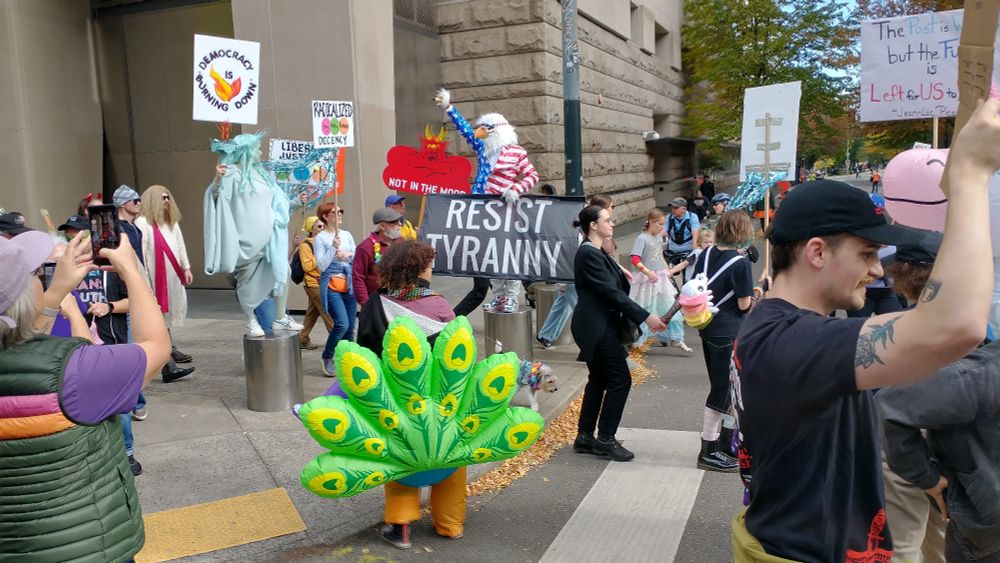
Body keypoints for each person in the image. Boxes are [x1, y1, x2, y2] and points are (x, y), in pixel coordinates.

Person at [730, 98, 1000, 563]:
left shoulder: (777, 325)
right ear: (817, 252)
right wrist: (970, 177)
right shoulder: (789, 343)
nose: (877, 271)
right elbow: (957, 324)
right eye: (866, 253)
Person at [0, 229, 170, 562]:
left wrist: (56, 290)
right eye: (35, 275)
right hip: (89, 549)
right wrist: (131, 271)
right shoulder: (74, 373)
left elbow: (19, 340)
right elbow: (157, 347)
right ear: (24, 296)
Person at [356, 240, 465, 549]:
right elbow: (458, 354)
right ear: (419, 270)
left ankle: (400, 528)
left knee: (401, 459)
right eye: (429, 265)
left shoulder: (375, 304)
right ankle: (450, 523)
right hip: (442, 401)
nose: (432, 269)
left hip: (396, 399)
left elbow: (364, 353)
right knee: (450, 457)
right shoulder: (440, 305)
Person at [872, 231, 948, 563]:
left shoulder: (892, 331)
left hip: (903, 455)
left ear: (904, 276)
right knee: (943, 545)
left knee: (901, 548)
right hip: (956, 454)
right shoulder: (973, 327)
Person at [571, 205, 668, 462]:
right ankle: (605, 439)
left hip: (597, 323)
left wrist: (619, 269)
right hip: (596, 325)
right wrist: (646, 316)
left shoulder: (596, 252)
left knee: (600, 380)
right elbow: (610, 293)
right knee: (620, 380)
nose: (612, 224)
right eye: (607, 220)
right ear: (593, 225)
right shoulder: (589, 254)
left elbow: (614, 286)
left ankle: (584, 436)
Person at [690, 211, 755, 472]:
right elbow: (744, 304)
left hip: (707, 327)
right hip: (729, 330)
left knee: (726, 386)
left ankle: (728, 442)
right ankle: (709, 448)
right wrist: (758, 291)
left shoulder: (704, 255)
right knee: (723, 388)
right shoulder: (740, 264)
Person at [535, 194, 618, 351]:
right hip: (576, 273)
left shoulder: (590, 222)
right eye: (611, 207)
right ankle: (591, 344)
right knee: (585, 310)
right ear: (603, 208)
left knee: (565, 303)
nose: (612, 210)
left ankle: (546, 335)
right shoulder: (588, 225)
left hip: (573, 272)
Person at [135, 185, 197, 381]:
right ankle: (167, 363)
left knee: (164, 318)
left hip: (172, 277)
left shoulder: (171, 222)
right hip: (154, 279)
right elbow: (142, 255)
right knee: (158, 319)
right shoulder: (142, 223)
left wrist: (186, 267)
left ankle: (169, 355)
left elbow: (180, 245)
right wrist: (144, 280)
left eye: (168, 197)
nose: (166, 201)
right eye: (162, 197)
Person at [629, 208, 690, 351]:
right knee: (647, 307)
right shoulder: (642, 238)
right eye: (661, 224)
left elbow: (659, 255)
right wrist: (647, 272)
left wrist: (666, 270)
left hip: (659, 276)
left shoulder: (658, 237)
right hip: (646, 278)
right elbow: (635, 258)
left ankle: (675, 338)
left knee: (668, 304)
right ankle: (639, 339)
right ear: (651, 222)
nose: (663, 227)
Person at [314, 202, 356, 376]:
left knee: (351, 326)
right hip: (331, 284)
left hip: (349, 283)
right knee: (341, 324)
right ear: (325, 216)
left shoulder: (346, 235)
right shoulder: (320, 238)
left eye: (341, 211)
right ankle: (327, 355)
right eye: (335, 212)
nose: (339, 214)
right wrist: (333, 248)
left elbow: (356, 255)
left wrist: (347, 255)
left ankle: (348, 359)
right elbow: (321, 266)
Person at [353, 207, 404, 307]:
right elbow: (358, 278)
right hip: (377, 303)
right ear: (382, 226)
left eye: (399, 221)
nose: (399, 225)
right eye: (394, 222)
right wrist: (367, 304)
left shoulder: (401, 242)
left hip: (400, 301)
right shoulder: (365, 247)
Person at [297, 216, 332, 351]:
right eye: (319, 226)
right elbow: (306, 266)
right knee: (327, 311)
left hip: (322, 281)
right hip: (313, 283)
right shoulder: (306, 245)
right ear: (311, 229)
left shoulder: (323, 241)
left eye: (323, 226)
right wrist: (320, 256)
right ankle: (338, 340)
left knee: (312, 313)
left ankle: (303, 338)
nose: (322, 228)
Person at [664, 197, 700, 281]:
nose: (673, 210)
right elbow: (663, 231)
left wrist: (695, 250)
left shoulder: (692, 217)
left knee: (687, 275)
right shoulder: (669, 217)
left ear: (684, 209)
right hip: (673, 250)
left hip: (688, 250)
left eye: (676, 208)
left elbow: (695, 234)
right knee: (671, 275)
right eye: (672, 207)